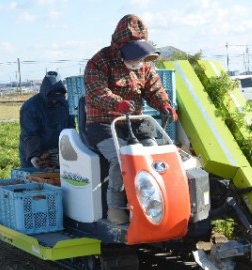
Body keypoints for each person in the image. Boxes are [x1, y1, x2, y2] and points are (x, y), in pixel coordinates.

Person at [84, 14, 178, 225]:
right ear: (121, 48)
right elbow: (95, 92)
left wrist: (164, 104)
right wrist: (117, 103)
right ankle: (115, 209)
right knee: (121, 158)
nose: (139, 62)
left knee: (154, 155)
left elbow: (154, 88)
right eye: (134, 56)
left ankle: (159, 204)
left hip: (134, 122)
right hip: (104, 124)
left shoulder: (144, 65)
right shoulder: (99, 62)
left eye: (141, 56)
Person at [19, 71, 76, 169]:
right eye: (52, 98)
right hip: (33, 152)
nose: (55, 101)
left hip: (55, 153)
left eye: (57, 98)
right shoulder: (31, 107)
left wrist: (63, 150)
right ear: (45, 93)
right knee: (35, 177)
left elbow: (70, 129)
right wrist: (34, 156)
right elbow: (31, 134)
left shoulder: (65, 105)